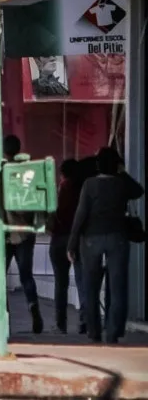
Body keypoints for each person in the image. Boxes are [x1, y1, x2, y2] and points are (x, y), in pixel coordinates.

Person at [69, 147, 144, 343]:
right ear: (116, 165)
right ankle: (113, 332)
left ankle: (93, 331)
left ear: (98, 165)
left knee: (91, 287)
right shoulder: (121, 184)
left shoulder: (89, 184)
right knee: (118, 287)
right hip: (117, 238)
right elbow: (139, 191)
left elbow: (80, 214)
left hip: (91, 240)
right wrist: (122, 172)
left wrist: (72, 243)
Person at [1, 134, 43, 334]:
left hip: (5, 232)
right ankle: (33, 306)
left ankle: (4, 316)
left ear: (3, 151)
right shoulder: (29, 171)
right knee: (26, 275)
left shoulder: (0, 173)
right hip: (25, 232)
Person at [48, 159, 87, 335]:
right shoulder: (83, 189)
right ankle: (84, 321)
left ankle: (60, 324)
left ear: (62, 173)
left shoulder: (62, 188)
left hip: (59, 239)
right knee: (82, 281)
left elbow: (56, 212)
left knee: (61, 283)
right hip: (78, 239)